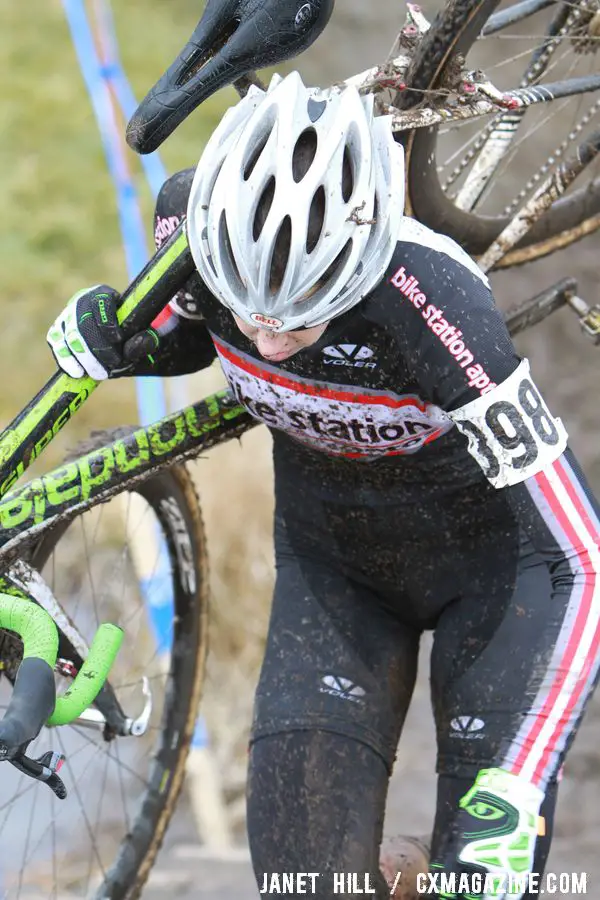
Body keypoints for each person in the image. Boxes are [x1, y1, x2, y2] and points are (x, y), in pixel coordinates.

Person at [47, 72, 600, 900]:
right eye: (250, 311)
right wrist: (120, 336)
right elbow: (188, 338)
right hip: (335, 577)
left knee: (480, 885)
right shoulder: (192, 224)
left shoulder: (431, 298)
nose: (270, 345)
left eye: (301, 316)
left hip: (500, 581)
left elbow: (580, 556)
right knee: (306, 887)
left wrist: (521, 780)